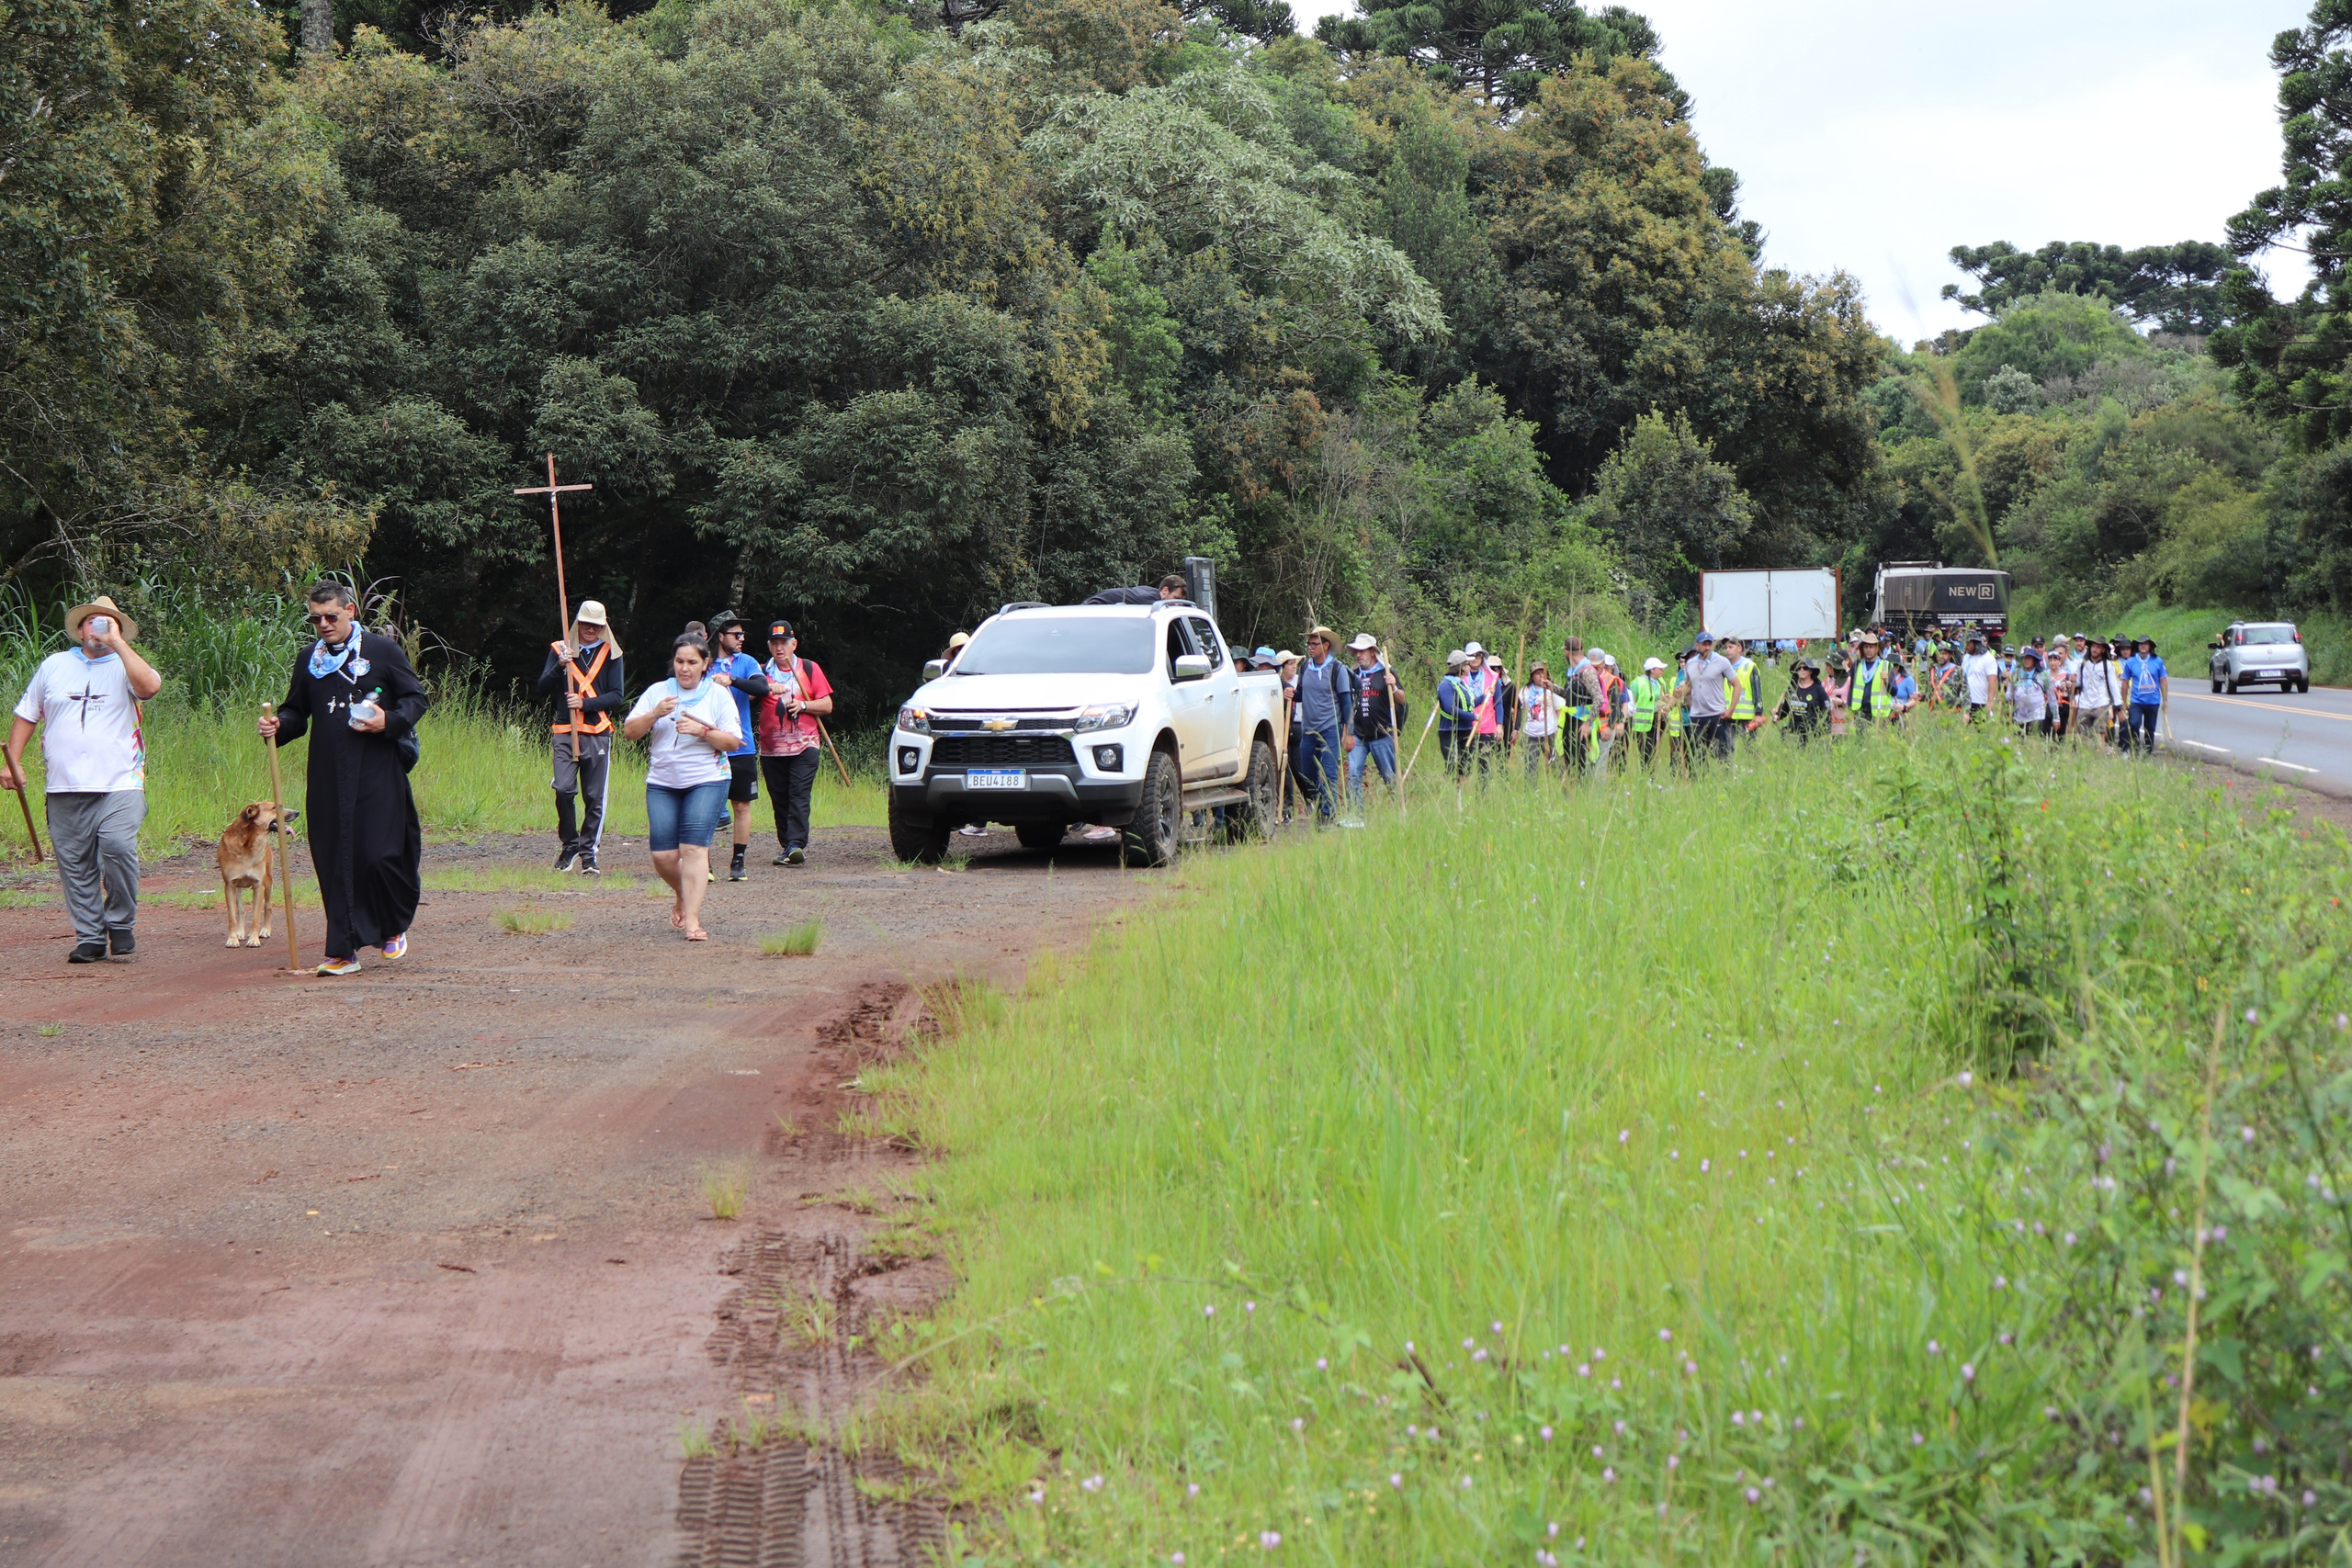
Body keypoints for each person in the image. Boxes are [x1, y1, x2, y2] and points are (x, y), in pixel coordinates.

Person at [256, 581, 428, 976]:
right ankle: (342, 951)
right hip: (328, 774)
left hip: (377, 769)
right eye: (315, 618)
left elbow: (415, 698)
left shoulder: (382, 651)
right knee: (334, 860)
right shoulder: (308, 660)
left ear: (351, 610)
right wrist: (278, 725)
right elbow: (297, 712)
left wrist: (391, 720)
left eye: (331, 616)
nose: (323, 624)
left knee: (378, 854)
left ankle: (392, 925)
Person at [6, 594, 163, 964]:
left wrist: (117, 644)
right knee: (74, 862)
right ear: (79, 630)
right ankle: (90, 936)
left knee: (118, 847)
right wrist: (12, 761)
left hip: (120, 782)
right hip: (64, 785)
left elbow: (150, 687)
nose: (102, 627)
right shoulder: (54, 666)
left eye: (111, 622)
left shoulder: (127, 664)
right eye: (94, 621)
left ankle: (121, 923)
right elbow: (28, 714)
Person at [625, 635, 742, 941]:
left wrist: (702, 731)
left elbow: (732, 741)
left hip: (708, 780)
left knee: (693, 848)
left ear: (705, 664)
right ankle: (683, 893)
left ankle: (692, 920)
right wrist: (654, 714)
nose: (685, 668)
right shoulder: (658, 692)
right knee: (663, 856)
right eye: (679, 662)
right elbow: (629, 732)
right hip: (663, 783)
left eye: (692, 662)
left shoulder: (717, 695)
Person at [537, 600, 624, 874]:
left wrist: (585, 704)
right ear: (577, 623)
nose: (590, 629)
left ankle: (589, 854)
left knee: (594, 797)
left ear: (603, 627)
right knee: (563, 788)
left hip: (597, 731)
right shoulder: (560, 650)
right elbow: (541, 687)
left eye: (596, 626)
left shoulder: (612, 654)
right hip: (565, 730)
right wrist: (560, 666)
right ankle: (569, 844)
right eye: (586, 624)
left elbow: (617, 695)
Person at [757, 620, 833, 865]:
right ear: (769, 646)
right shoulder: (760, 672)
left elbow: (827, 705)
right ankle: (787, 844)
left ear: (794, 644)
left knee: (798, 794)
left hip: (805, 744)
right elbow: (744, 693)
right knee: (779, 797)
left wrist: (803, 705)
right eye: (774, 643)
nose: (779, 648)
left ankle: (796, 844)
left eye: (784, 643)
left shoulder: (809, 668)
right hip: (771, 749)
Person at [703, 613, 772, 880]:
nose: (742, 639)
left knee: (742, 805)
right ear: (720, 636)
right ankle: (704, 863)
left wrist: (732, 680)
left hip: (741, 747)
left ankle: (738, 861)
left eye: (743, 634)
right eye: (736, 634)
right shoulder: (703, 662)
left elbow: (762, 688)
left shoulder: (746, 662)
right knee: (705, 806)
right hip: (708, 747)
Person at [1294, 627, 1354, 819]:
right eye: (1309, 644)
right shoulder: (1305, 668)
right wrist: (1291, 695)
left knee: (1330, 773)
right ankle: (1323, 802)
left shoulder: (1337, 669)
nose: (1310, 648)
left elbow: (1346, 704)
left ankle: (1329, 814)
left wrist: (1348, 732)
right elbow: (1301, 695)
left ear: (1326, 646)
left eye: (1314, 644)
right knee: (1307, 774)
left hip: (1330, 728)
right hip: (1308, 730)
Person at [1343, 633, 1403, 809]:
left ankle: (1400, 810)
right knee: (1353, 774)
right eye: (1356, 652)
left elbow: (1402, 699)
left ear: (1371, 652)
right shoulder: (1353, 675)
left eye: (1362, 651)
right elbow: (1347, 705)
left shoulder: (1386, 672)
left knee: (1389, 775)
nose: (1358, 655)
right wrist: (1345, 733)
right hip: (1358, 735)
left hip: (1382, 735)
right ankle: (1356, 815)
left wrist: (1393, 686)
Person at [1681, 632, 1735, 760]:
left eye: (1709, 644)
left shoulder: (1722, 661)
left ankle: (1725, 778)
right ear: (1697, 645)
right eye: (1704, 644)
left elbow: (1737, 685)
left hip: (1717, 714)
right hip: (1696, 716)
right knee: (1698, 756)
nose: (1707, 648)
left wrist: (1731, 709)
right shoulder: (1690, 663)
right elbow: (1688, 685)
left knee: (1722, 755)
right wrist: (1680, 693)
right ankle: (1700, 778)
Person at [2072, 635, 2123, 748]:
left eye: (2098, 647)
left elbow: (2113, 686)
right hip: (2084, 704)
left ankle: (2100, 757)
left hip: (2101, 704)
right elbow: (2078, 684)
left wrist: (2118, 705)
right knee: (2082, 736)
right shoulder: (2082, 663)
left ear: (2103, 650)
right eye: (2093, 646)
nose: (2095, 649)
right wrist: (2072, 682)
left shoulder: (2107, 665)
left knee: (2100, 734)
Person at [2122, 636, 2167, 755]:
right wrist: (2123, 701)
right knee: (2134, 723)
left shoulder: (2157, 661)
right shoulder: (2131, 662)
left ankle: (2148, 751)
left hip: (2153, 701)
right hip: (2136, 701)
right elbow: (2125, 682)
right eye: (2141, 644)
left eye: (2146, 644)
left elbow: (2163, 680)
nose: (2143, 646)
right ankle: (2135, 747)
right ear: (2137, 646)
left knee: (2150, 728)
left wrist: (2165, 700)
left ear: (2150, 646)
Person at [1521, 661, 1566, 770]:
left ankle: (1556, 785)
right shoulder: (1524, 691)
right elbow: (1517, 707)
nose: (1541, 676)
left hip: (1549, 732)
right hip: (1531, 734)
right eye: (1537, 674)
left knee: (1554, 764)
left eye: (1543, 673)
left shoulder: (1552, 690)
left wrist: (1559, 731)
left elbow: (1560, 711)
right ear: (1532, 677)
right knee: (1530, 765)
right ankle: (1531, 787)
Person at [1846, 634, 1898, 727]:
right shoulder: (1857, 665)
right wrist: (1849, 709)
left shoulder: (1885, 665)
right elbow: (1851, 689)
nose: (1868, 650)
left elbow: (1894, 692)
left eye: (1871, 647)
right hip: (1860, 713)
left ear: (1877, 649)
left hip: (1879, 715)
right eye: (1866, 647)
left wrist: (1886, 681)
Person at [1436, 650, 1475, 775]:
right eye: (1468, 664)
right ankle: (1449, 792)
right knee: (1452, 767)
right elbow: (1450, 709)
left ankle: (1462, 793)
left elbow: (1468, 704)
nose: (1470, 667)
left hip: (1466, 730)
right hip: (1450, 731)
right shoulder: (1446, 685)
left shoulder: (1462, 684)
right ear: (1462, 667)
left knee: (1465, 767)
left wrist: (1485, 696)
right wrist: (1473, 717)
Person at [1770, 659, 1829, 740]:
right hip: (1793, 732)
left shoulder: (1818, 689)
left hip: (1810, 732)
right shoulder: (1792, 688)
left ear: (1811, 671)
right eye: (1799, 668)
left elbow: (1827, 711)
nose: (1802, 670)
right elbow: (1785, 708)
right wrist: (1777, 715)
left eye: (1805, 668)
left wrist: (1822, 730)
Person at [1721, 637, 1764, 748]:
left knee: (1749, 748)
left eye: (1731, 647)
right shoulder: (1724, 667)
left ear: (1739, 648)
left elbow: (1757, 690)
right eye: (1726, 647)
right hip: (1729, 716)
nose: (1727, 650)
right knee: (1729, 749)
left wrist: (1758, 713)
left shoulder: (1749, 666)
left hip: (1747, 717)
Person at [2009, 648, 2052, 736]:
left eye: (2029, 658)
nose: (2026, 660)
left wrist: (2056, 718)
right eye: (2025, 658)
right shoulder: (2016, 673)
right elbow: (2010, 693)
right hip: (2019, 716)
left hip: (2037, 715)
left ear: (2034, 660)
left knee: (2035, 741)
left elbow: (2051, 696)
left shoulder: (2043, 674)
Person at [1961, 634, 2002, 719]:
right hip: (1965, 701)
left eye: (1968, 644)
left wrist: (1990, 701)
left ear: (1975, 643)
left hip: (1981, 701)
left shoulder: (1988, 658)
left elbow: (1993, 680)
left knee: (1980, 729)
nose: (1966, 646)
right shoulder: (1966, 657)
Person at [1082, 573, 1189, 606]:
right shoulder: (1152, 601)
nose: (1176, 605)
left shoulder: (1148, 590)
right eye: (1176, 598)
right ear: (1165, 591)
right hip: (1091, 610)